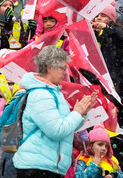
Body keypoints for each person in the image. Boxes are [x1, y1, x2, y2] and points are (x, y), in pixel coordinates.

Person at [12, 45, 97, 177]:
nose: (65, 72)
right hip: (38, 168)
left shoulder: (52, 92)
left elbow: (65, 126)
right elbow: (56, 131)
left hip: (44, 166)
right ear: (49, 67)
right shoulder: (41, 94)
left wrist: (82, 112)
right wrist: (76, 113)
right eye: (63, 68)